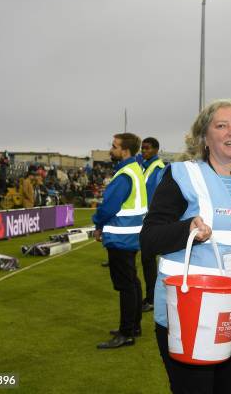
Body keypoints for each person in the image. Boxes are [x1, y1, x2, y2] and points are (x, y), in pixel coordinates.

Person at [140, 99, 231, 394]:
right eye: (222, 125)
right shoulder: (182, 175)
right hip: (191, 316)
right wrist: (187, 229)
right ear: (204, 137)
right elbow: (149, 240)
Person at [92, 133, 146, 349]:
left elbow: (109, 207)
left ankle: (126, 333)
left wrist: (97, 223)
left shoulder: (124, 174)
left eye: (114, 146)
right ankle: (133, 327)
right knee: (132, 282)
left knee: (126, 285)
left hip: (121, 236)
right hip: (131, 235)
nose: (111, 149)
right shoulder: (136, 170)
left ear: (124, 150)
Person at [138, 136, 165, 312]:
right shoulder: (145, 166)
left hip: (152, 221)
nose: (144, 151)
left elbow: (158, 197)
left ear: (156, 149)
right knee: (147, 261)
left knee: (150, 261)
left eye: (147, 148)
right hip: (145, 220)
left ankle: (152, 299)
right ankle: (151, 297)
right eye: (142, 148)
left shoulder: (159, 168)